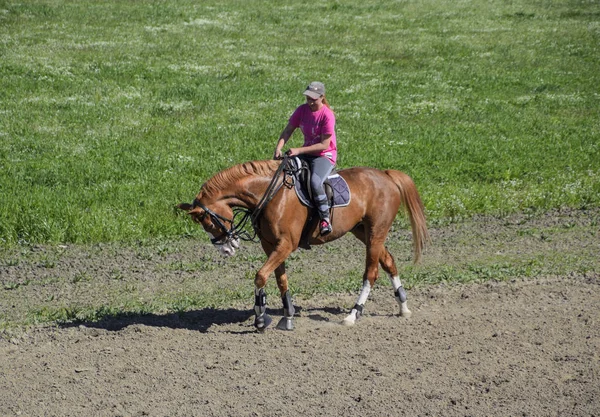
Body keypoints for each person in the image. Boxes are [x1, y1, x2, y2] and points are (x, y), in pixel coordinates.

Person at [274, 81, 337, 236]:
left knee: (315, 182)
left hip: (324, 155)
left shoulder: (327, 115)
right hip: (306, 153)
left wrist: (298, 150)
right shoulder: (302, 111)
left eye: (313, 98)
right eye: (308, 97)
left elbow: (324, 145)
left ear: (322, 97)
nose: (310, 101)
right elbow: (288, 130)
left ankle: (325, 219)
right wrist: (279, 147)